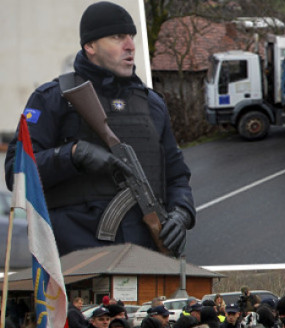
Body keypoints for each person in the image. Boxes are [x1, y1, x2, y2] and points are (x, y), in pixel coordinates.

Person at [3, 1, 195, 256]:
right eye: (118, 37)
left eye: (131, 37)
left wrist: (181, 213)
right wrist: (72, 155)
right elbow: (16, 172)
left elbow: (177, 176)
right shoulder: (52, 99)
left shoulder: (152, 105)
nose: (130, 46)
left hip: (146, 251)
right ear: (90, 46)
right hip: (76, 257)